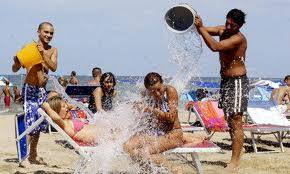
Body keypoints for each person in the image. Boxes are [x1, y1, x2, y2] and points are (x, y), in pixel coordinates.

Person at [195, 9, 248, 170]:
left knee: (237, 120)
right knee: (230, 120)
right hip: (225, 81)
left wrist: (201, 28)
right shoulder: (223, 30)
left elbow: (215, 46)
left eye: (232, 24)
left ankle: (235, 162)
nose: (228, 25)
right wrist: (194, 22)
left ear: (239, 26)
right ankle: (239, 148)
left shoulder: (238, 38)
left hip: (237, 82)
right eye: (227, 22)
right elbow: (202, 29)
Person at [12, 21, 57, 166]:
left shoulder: (52, 50)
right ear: (38, 32)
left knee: (39, 122)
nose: (48, 35)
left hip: (41, 90)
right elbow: (14, 69)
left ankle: (33, 154)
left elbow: (54, 67)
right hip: (30, 89)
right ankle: (24, 156)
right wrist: (17, 62)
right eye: (46, 32)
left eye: (51, 33)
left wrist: (43, 54)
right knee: (30, 122)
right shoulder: (28, 47)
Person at [123, 72, 184, 174]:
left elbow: (171, 118)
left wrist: (150, 109)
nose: (157, 93)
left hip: (173, 134)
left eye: (158, 89)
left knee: (143, 152)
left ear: (162, 83)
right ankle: (148, 171)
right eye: (152, 91)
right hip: (156, 133)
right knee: (127, 146)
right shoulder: (147, 95)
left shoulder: (170, 91)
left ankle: (175, 170)